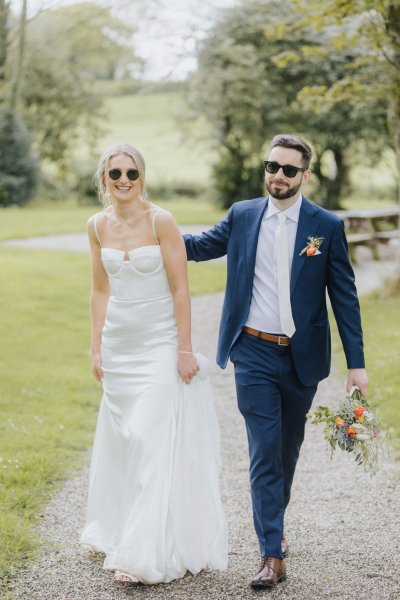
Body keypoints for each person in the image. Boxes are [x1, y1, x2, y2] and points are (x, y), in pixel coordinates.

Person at [184, 134, 368, 589]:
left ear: (305, 175)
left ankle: (275, 523)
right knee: (264, 452)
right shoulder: (243, 215)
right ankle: (270, 554)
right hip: (253, 352)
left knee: (286, 449)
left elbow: (343, 296)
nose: (278, 176)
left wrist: (357, 364)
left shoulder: (324, 225)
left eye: (288, 169)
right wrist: (148, 226)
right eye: (272, 166)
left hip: (302, 358)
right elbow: (199, 246)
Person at [80, 143, 228, 585]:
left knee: (149, 437)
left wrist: (184, 349)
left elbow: (181, 289)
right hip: (119, 345)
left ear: (141, 177)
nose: (123, 181)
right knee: (123, 439)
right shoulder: (95, 225)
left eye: (131, 173)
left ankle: (143, 552)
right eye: (115, 173)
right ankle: (116, 528)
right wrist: (95, 346)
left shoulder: (161, 220)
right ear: (104, 178)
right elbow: (99, 290)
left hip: (159, 343)